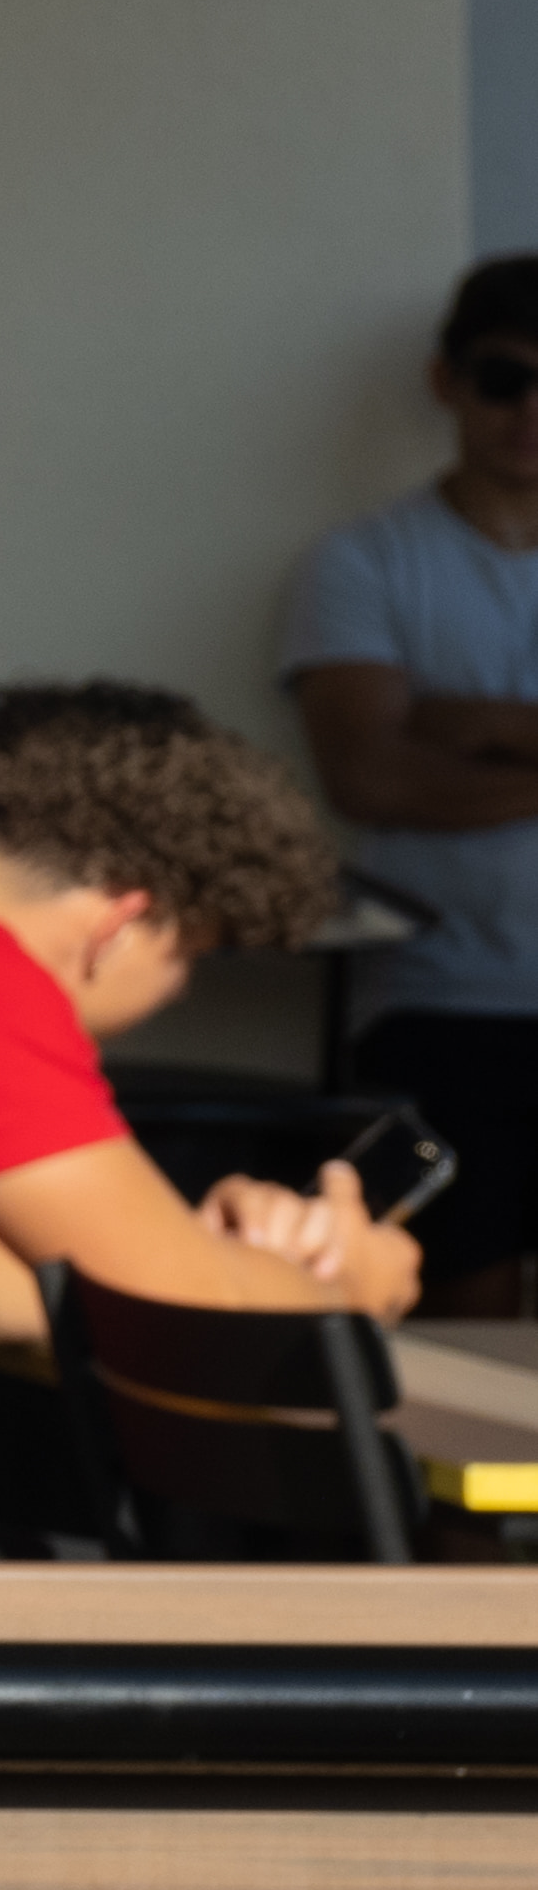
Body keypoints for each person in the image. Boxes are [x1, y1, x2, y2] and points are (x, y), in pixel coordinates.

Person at [0, 679, 406, 1353]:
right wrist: (352, 1288)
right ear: (117, 928)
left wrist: (189, 1247)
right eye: (188, 954)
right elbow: (188, 1316)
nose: (177, 991)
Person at [280, 255, 538, 1291]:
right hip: (436, 1006)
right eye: (502, 377)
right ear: (446, 380)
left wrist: (469, 723)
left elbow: (400, 749)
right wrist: (418, 736)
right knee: (451, 1320)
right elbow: (370, 777)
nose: (530, 409)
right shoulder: (363, 560)